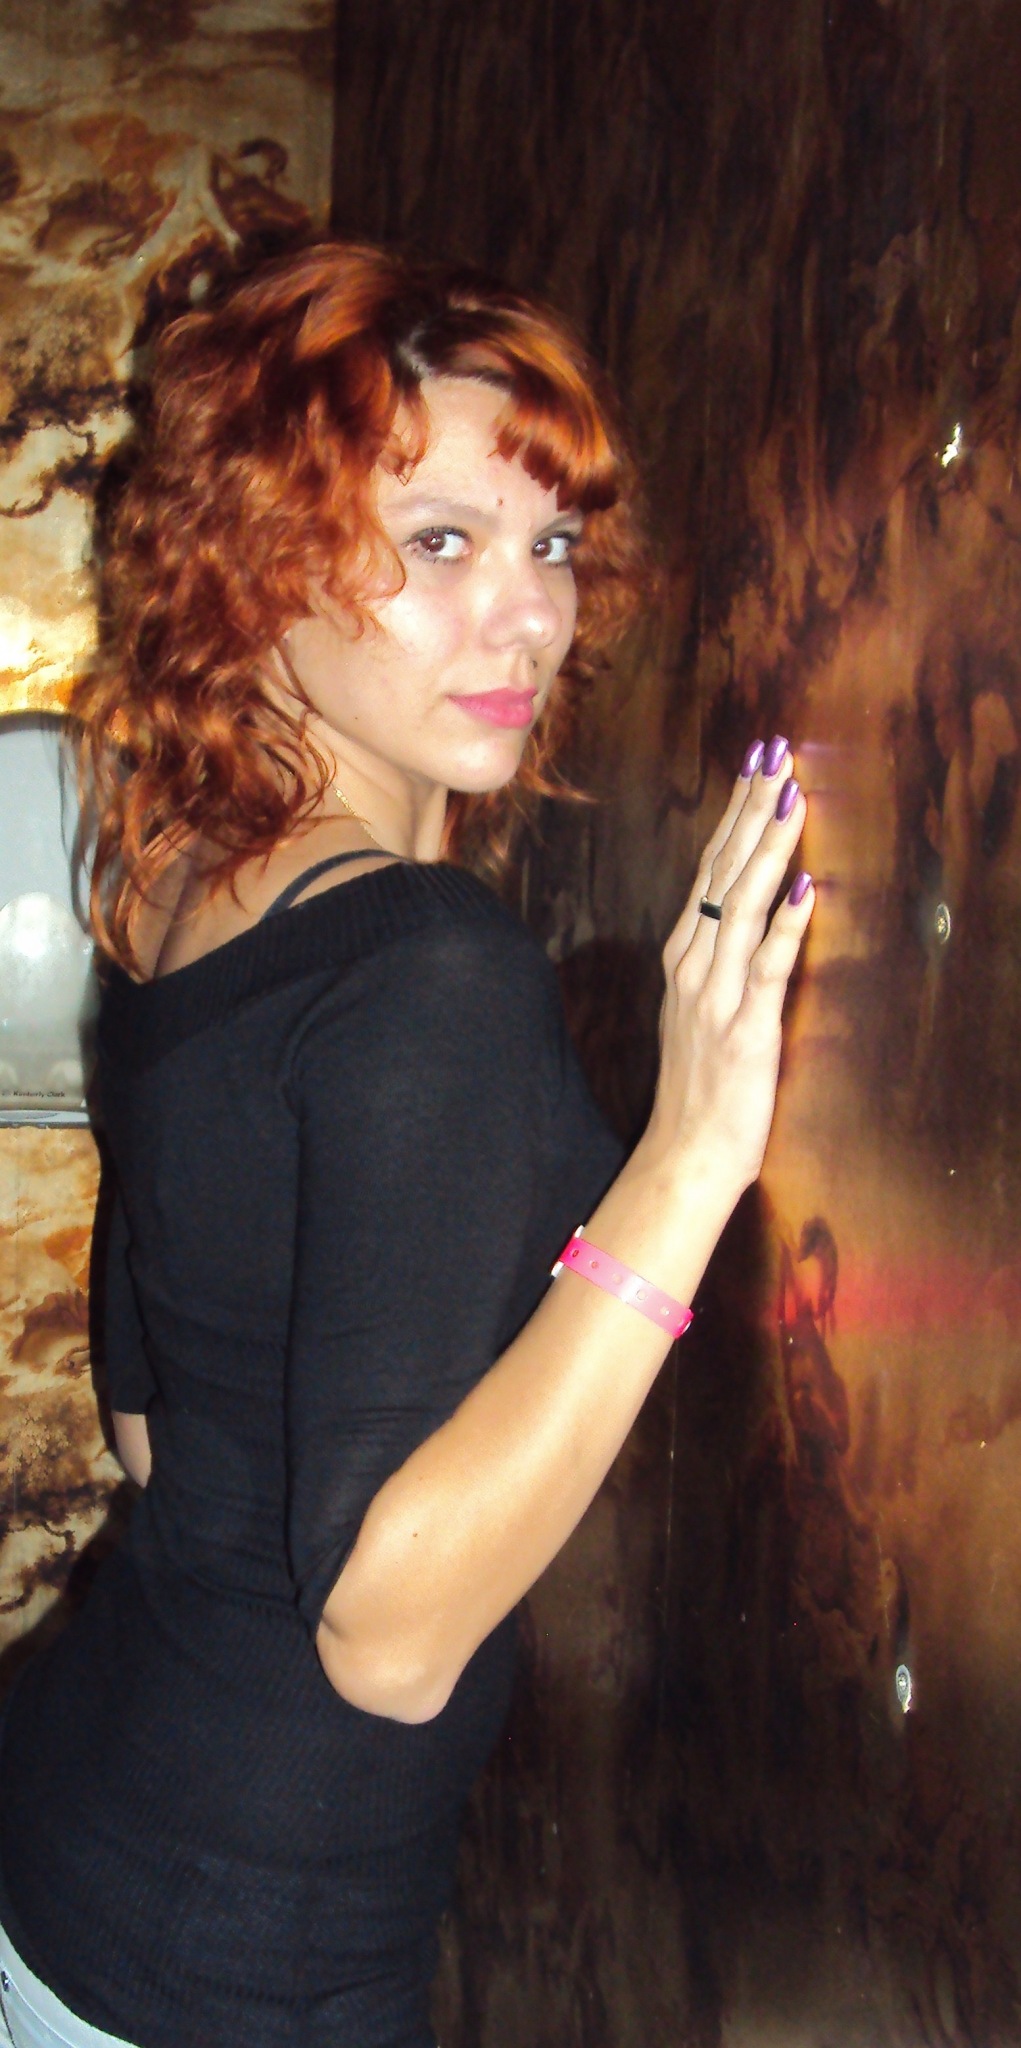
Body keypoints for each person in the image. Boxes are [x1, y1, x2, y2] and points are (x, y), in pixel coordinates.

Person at [0, 242, 813, 2048]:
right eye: (439, 540)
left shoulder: (180, 890)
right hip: (231, 1960)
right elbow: (386, 1642)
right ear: (252, 565)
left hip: (79, 1839)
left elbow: (152, 1434)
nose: (528, 618)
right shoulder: (421, 968)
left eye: (550, 545)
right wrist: (686, 1159)